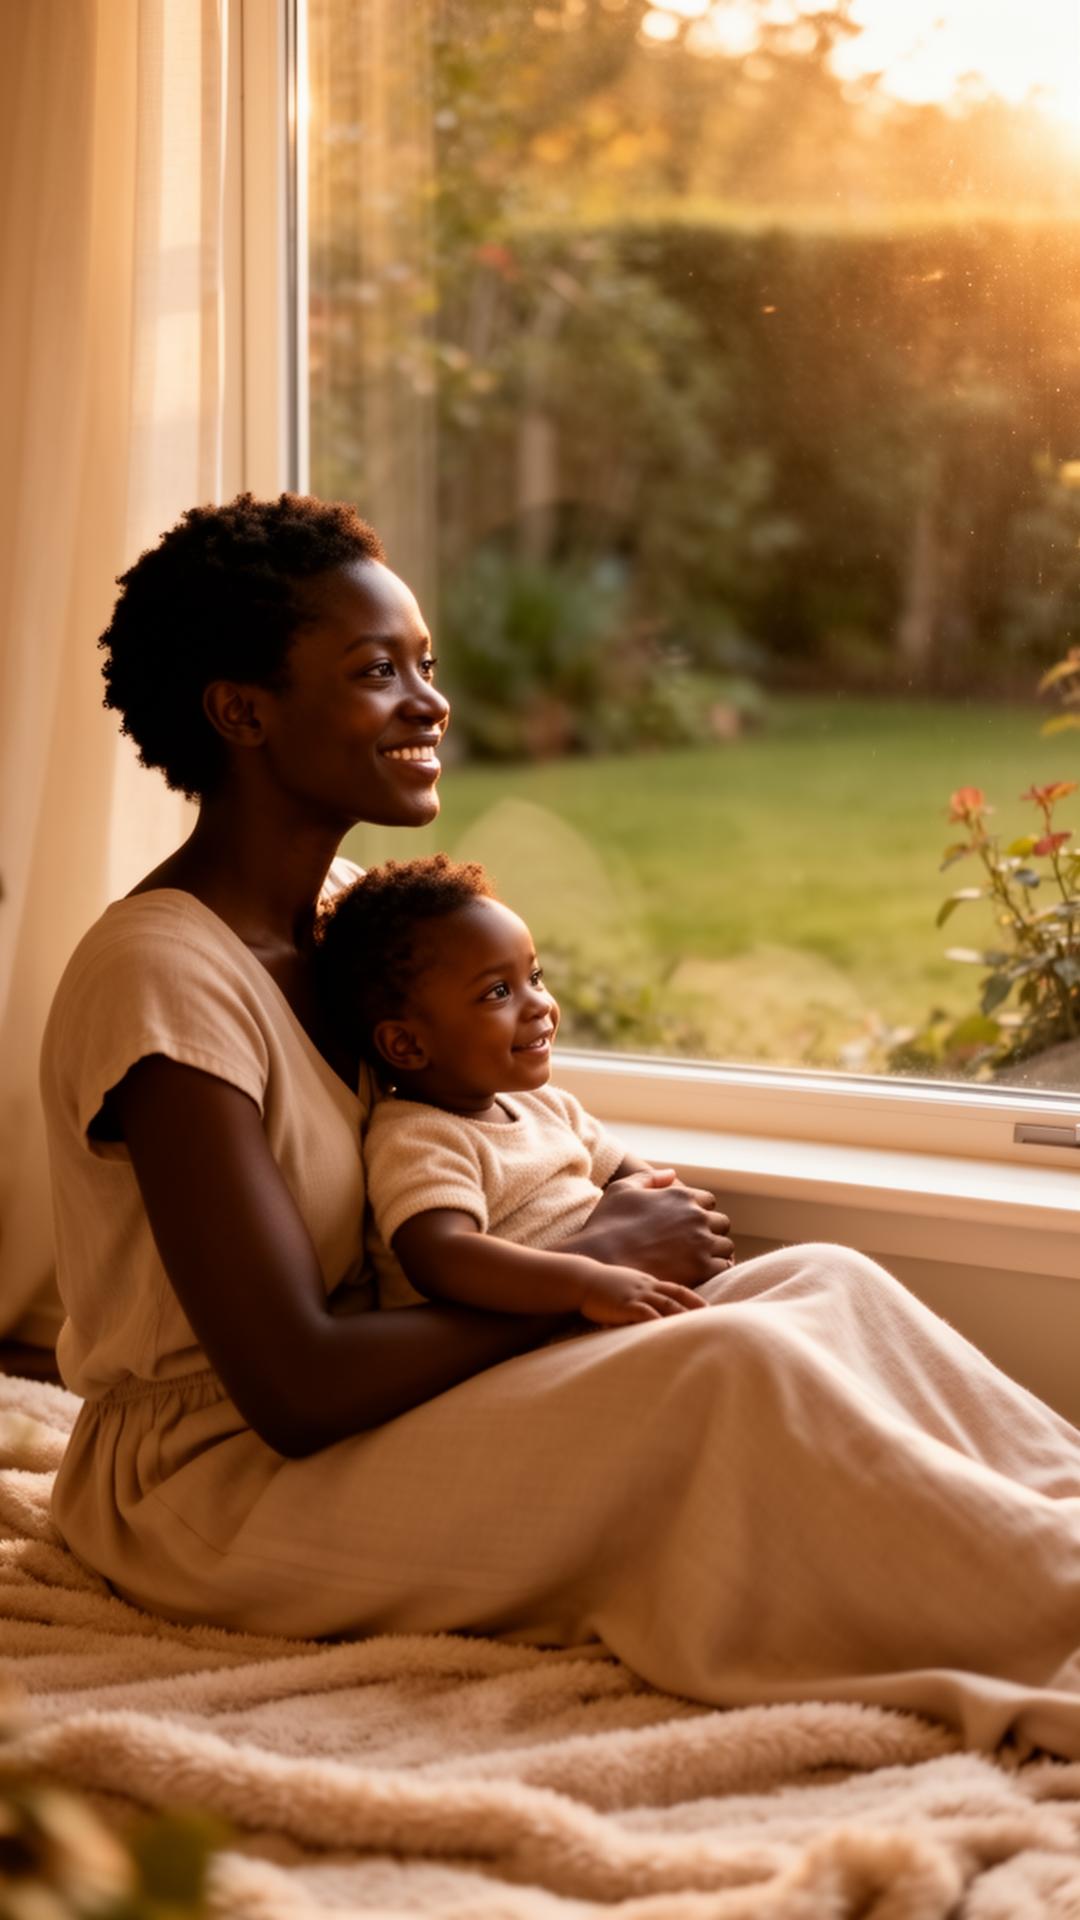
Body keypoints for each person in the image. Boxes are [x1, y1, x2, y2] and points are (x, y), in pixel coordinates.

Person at [40, 491, 1080, 1760]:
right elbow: (295, 1387)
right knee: (724, 1373)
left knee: (820, 1280)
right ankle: (1045, 1612)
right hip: (215, 1480)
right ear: (241, 711)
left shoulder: (357, 917)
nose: (430, 703)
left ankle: (1056, 1526)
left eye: (425, 665)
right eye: (377, 673)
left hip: (386, 1390)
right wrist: (585, 1268)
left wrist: (593, 1227)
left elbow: (487, 1141)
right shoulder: (164, 977)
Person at [317, 851, 718, 1322]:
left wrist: (684, 1220)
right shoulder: (417, 1137)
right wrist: (588, 1279)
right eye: (498, 993)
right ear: (406, 1044)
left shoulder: (547, 1107)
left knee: (819, 1269)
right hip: (543, 1343)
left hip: (620, 1305)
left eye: (534, 977)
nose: (540, 1006)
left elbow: (648, 1187)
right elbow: (441, 1259)